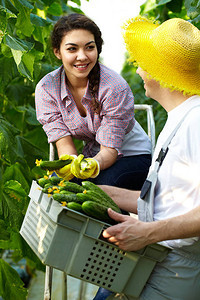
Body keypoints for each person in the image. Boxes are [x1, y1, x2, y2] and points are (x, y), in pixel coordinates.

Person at [94, 16, 200, 300]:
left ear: (161, 73)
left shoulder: (197, 121)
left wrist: (148, 233)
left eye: (144, 63)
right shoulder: (180, 117)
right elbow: (171, 201)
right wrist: (105, 193)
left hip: (176, 272)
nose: (138, 70)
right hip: (157, 260)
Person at [35, 13, 152, 190]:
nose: (82, 56)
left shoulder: (114, 87)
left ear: (97, 49)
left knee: (102, 187)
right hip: (92, 156)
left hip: (132, 155)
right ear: (57, 52)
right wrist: (73, 165)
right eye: (72, 49)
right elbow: (64, 145)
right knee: (56, 187)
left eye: (89, 47)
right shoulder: (47, 89)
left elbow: (109, 150)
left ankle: (121, 219)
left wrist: (93, 166)